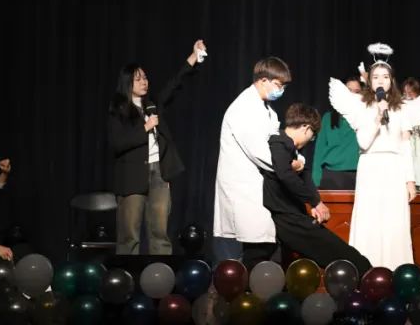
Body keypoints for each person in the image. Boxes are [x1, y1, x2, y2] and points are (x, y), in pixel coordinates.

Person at [328, 43, 420, 269]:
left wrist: (410, 180)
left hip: (394, 168)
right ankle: (366, 271)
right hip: (371, 166)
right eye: (376, 77)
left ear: (391, 80)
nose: (380, 81)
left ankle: (395, 272)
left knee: (394, 223)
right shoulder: (362, 107)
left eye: (385, 77)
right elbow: (363, 142)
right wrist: (377, 117)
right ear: (369, 80)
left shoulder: (402, 108)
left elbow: (405, 146)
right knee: (369, 222)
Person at [108, 39, 206, 255]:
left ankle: (160, 273)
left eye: (145, 77)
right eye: (138, 79)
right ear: (127, 83)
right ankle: (127, 273)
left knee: (160, 233)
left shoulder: (152, 104)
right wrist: (145, 127)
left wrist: (193, 57)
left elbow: (174, 83)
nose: (144, 82)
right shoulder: (119, 109)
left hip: (159, 173)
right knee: (129, 235)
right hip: (132, 177)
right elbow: (118, 144)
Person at [264, 102, 373, 275]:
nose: (311, 140)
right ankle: (366, 272)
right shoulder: (278, 143)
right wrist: (315, 202)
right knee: (343, 255)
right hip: (287, 219)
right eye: (313, 136)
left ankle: (365, 271)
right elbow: (286, 175)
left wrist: (315, 202)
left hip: (295, 217)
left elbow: (305, 174)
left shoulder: (291, 149)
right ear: (306, 128)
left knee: (340, 252)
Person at [214, 56, 291, 269]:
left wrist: (293, 158)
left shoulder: (267, 110)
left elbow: (277, 143)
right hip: (244, 185)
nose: (281, 90)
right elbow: (259, 152)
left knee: (264, 243)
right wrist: (287, 167)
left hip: (259, 186)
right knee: (257, 245)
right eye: (278, 85)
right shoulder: (244, 108)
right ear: (263, 80)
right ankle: (248, 286)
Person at [311, 76, 363, 190]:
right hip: (331, 175)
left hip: (359, 175)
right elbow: (319, 150)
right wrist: (316, 180)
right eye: (348, 91)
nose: (352, 95)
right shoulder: (328, 118)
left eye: (357, 92)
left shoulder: (365, 118)